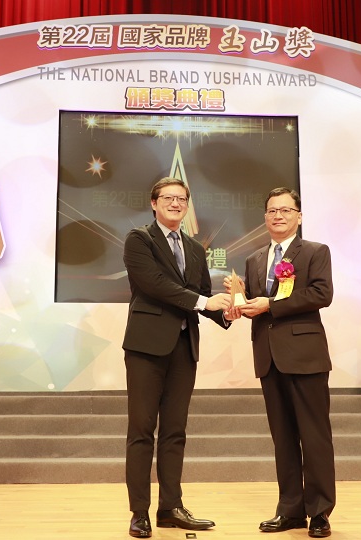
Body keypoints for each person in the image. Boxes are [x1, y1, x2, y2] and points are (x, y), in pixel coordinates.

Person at [122, 177, 233, 538]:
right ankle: (140, 512)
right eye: (167, 198)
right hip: (146, 348)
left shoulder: (196, 249)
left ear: (188, 205)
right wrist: (204, 302)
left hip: (184, 348)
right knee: (142, 430)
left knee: (175, 432)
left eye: (181, 198)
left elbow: (202, 295)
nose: (175, 203)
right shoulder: (139, 239)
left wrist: (228, 312)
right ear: (153, 203)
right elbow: (154, 283)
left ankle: (170, 507)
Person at [224, 187, 336, 538]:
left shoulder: (315, 252)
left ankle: (319, 513)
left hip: (305, 356)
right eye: (272, 210)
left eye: (286, 210)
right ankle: (290, 511)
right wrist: (237, 306)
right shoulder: (255, 258)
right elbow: (255, 305)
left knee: (314, 436)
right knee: (283, 438)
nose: (278, 216)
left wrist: (269, 305)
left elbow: (322, 294)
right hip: (268, 357)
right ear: (265, 217)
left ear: (298, 216)